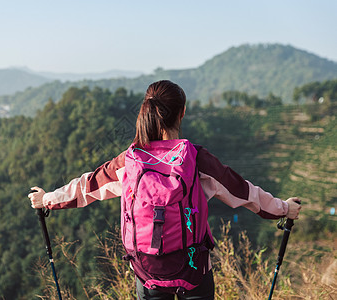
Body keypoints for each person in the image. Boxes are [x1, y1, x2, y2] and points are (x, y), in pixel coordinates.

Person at [28, 80, 301, 300]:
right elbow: (245, 193)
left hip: (147, 274)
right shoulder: (196, 160)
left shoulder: (130, 162)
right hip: (194, 273)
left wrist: (46, 200)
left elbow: (87, 187)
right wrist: (285, 208)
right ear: (182, 113)